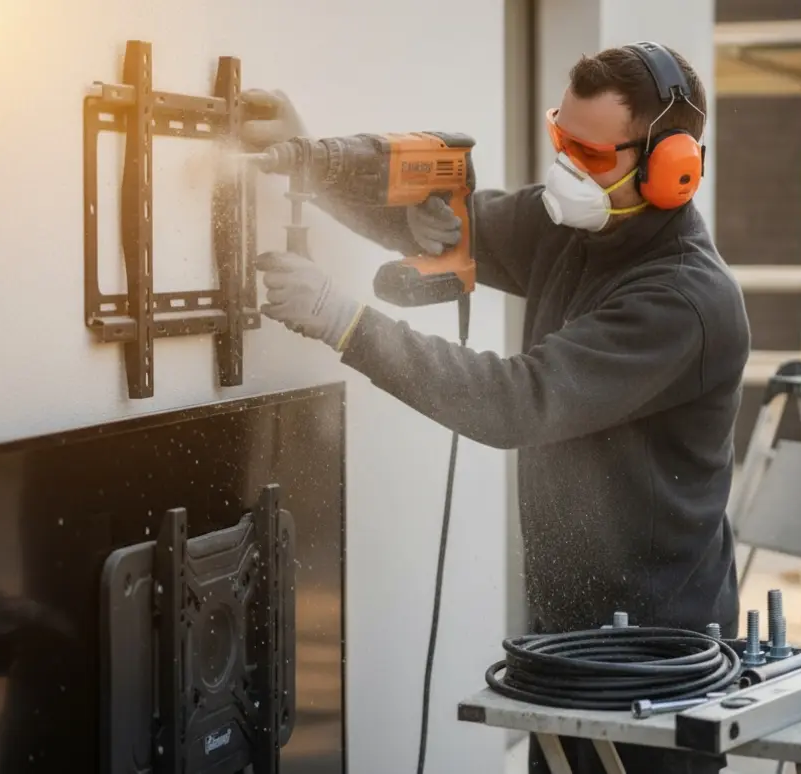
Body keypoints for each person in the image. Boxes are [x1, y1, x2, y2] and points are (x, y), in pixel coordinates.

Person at [241, 41, 750, 774]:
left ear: (671, 167)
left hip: (658, 654)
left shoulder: (684, 302)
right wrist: (314, 160)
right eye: (561, 139)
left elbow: (517, 401)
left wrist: (341, 321)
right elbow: (441, 223)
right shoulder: (576, 226)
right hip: (567, 638)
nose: (567, 167)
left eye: (590, 154)